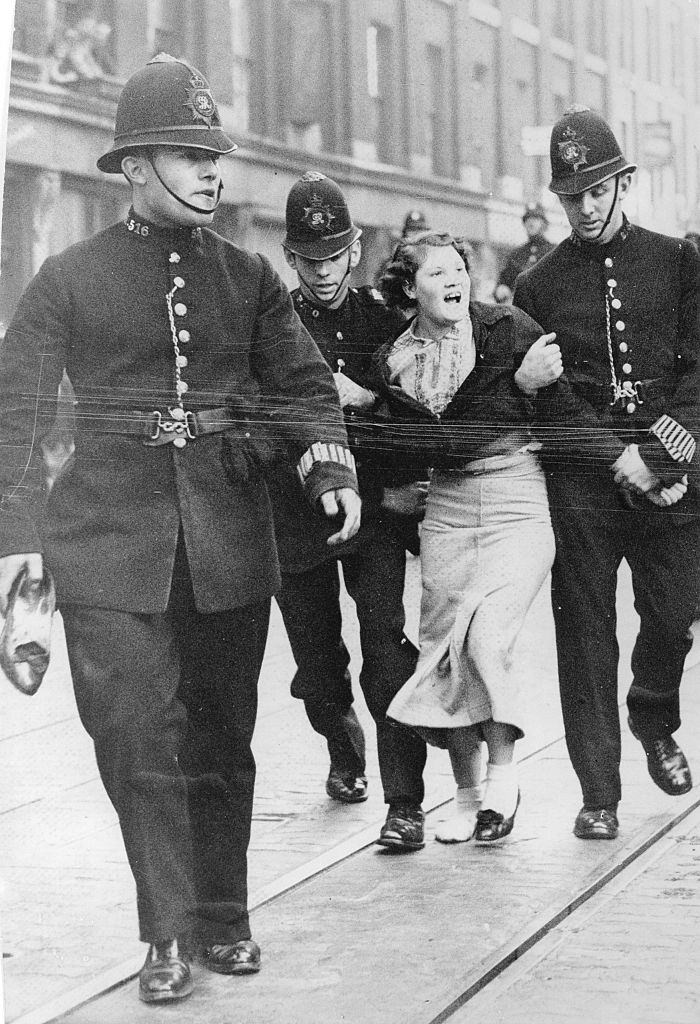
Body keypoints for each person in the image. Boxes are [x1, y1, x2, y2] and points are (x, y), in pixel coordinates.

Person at [0, 55, 361, 1004]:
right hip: (105, 549)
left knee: (221, 738)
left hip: (228, 542)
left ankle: (224, 916)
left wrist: (327, 463)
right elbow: (16, 411)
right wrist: (16, 540)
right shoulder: (69, 278)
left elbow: (301, 387)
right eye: (186, 154)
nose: (211, 173)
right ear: (131, 166)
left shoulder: (248, 279)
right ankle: (164, 930)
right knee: (132, 738)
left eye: (214, 156)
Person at [513, 106, 700, 841]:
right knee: (585, 635)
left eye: (598, 190)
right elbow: (547, 401)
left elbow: (699, 373)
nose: (586, 207)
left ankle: (653, 710)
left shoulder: (681, 263)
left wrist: (660, 458)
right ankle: (599, 792)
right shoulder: (538, 286)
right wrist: (612, 457)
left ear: (625, 183)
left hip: (673, 476)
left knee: (678, 607)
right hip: (583, 487)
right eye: (572, 195)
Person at [372, 231, 565, 844]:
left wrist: (621, 459)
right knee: (441, 647)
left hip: (515, 497)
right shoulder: (394, 361)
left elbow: (563, 401)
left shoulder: (505, 327)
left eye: (460, 268)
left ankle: (504, 781)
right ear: (408, 288)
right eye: (436, 274)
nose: (454, 280)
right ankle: (466, 793)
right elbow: (427, 441)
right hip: (447, 506)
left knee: (485, 634)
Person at [269, 171, 428, 851]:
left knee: (386, 651)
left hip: (378, 517)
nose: (325, 271)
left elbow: (419, 415)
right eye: (311, 259)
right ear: (290, 257)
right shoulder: (270, 325)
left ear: (356, 248)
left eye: (335, 254)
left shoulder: (386, 323)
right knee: (317, 667)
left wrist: (364, 401)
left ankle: (405, 804)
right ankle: (341, 741)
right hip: (295, 517)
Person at [494, 202, 554, 305]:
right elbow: (503, 282)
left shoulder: (554, 251)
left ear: (544, 223)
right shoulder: (516, 254)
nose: (530, 223)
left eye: (535, 219)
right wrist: (501, 288)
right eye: (527, 219)